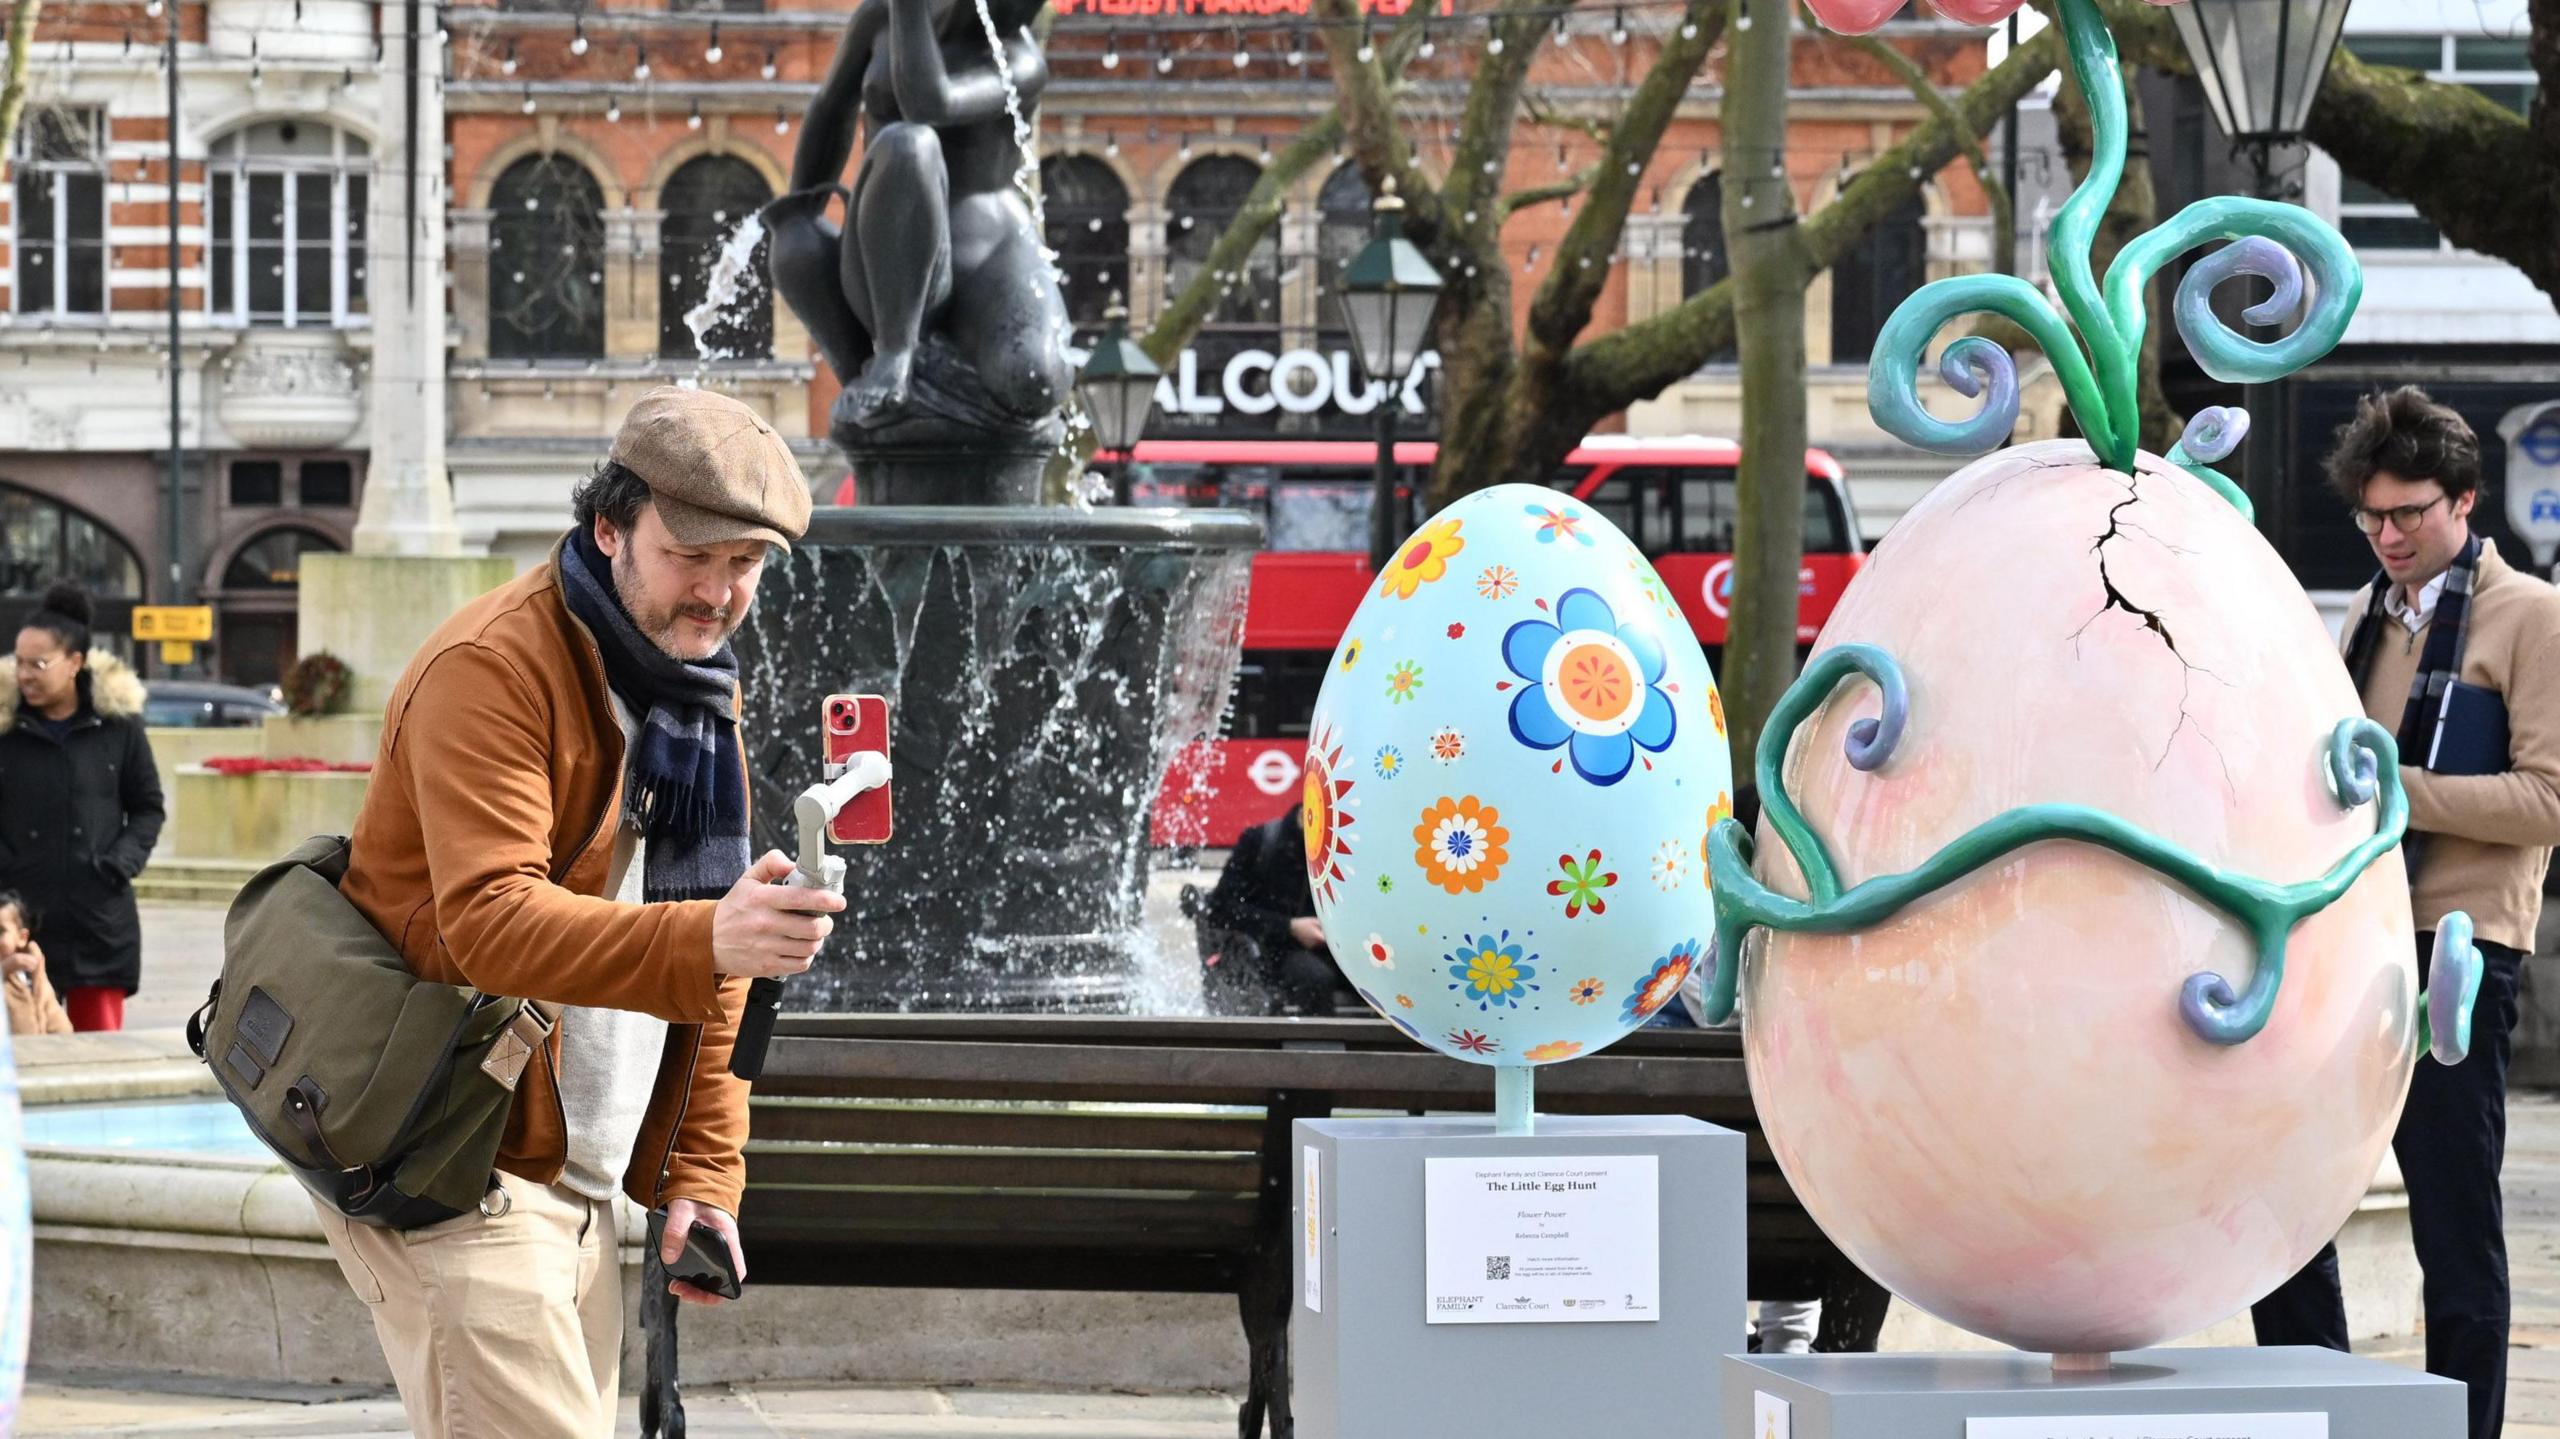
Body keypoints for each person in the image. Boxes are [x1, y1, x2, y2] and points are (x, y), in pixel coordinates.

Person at [311, 388, 846, 1439]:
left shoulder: (694, 697)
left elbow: (716, 970)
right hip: (457, 1154)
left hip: (581, 1172)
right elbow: (491, 922)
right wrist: (710, 934)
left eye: (746, 563)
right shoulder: (495, 668)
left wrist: (701, 1175)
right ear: (609, 526)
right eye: (692, 554)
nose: (720, 591)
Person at [2251, 386, 2560, 1439]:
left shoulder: (2530, 616)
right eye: (2372, 517)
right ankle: (2318, 1401)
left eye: (2409, 513)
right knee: (2282, 1181)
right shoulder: (2364, 613)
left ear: (2463, 501)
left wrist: (2400, 791)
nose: (2388, 535)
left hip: (2461, 949)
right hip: (2347, 929)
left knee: (2451, 1213)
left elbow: (2548, 800)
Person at [0, 582, 164, 1032]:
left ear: (75, 663)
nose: (26, 674)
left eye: (39, 663)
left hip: (99, 920)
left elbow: (148, 807)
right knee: (21, 1055)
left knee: (98, 1062)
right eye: (20, 662)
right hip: (19, 923)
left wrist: (116, 864)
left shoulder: (118, 727)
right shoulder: (5, 730)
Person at [1196, 805, 1345, 1016]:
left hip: (1334, 948)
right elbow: (1221, 909)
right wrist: (1289, 927)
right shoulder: (1261, 842)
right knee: (1315, 979)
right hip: (1271, 952)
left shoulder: (1343, 849)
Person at [0, 893, 72, 1037]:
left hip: (39, 1053)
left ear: (21, 938)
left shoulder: (32, 974)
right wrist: (3, 970)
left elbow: (58, 1023)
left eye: (0, 931)